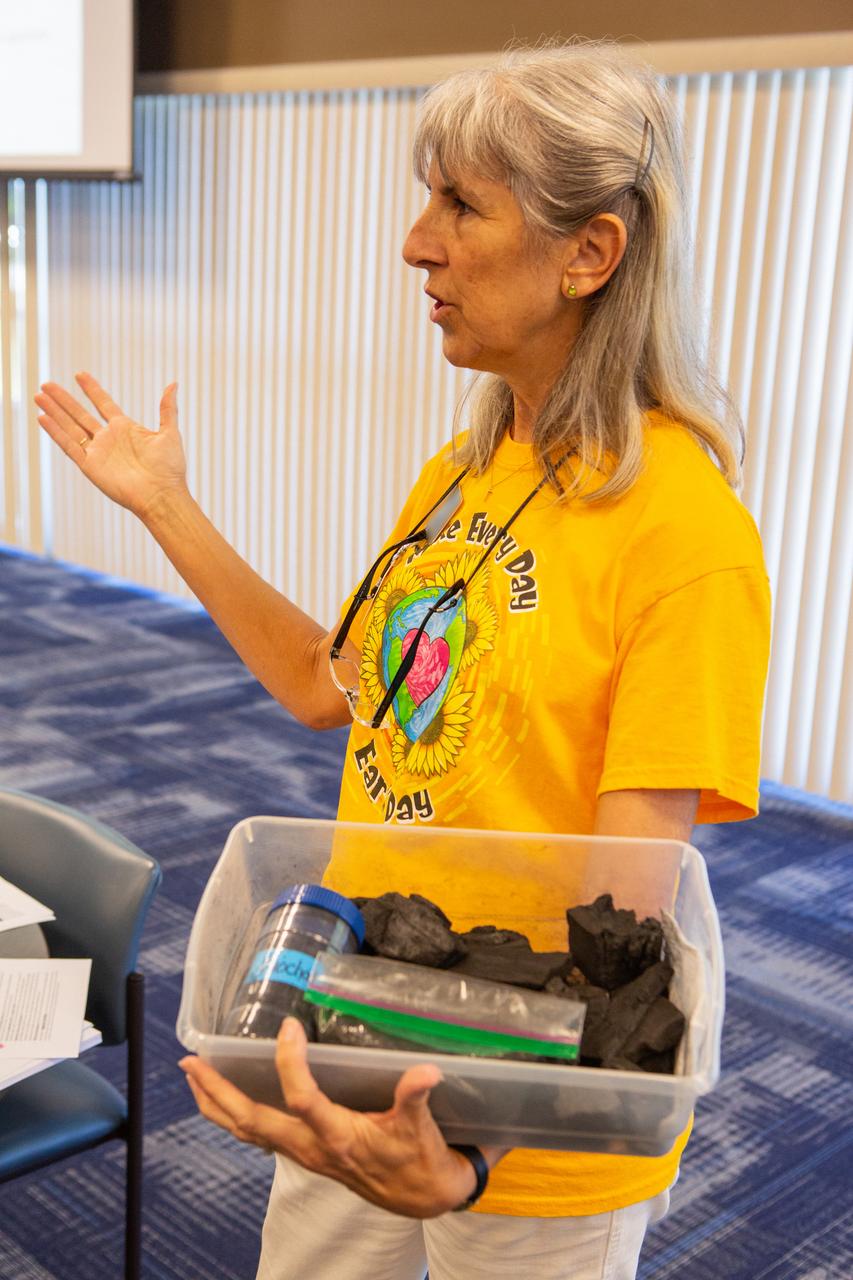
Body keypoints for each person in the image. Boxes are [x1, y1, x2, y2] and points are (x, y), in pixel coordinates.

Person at [34, 40, 770, 1280]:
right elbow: (328, 686)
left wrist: (474, 1155)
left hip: (526, 1112)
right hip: (361, 1015)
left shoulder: (683, 533)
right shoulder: (466, 471)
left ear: (588, 254)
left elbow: (623, 928)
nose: (415, 243)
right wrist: (168, 506)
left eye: (460, 206)